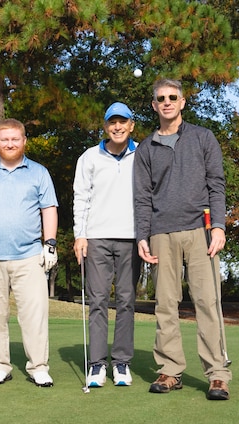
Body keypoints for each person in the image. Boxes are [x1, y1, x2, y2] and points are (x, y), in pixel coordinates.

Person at [134, 78, 232, 400]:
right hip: (162, 232)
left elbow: (216, 185)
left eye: (172, 97)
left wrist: (219, 225)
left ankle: (217, 374)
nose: (166, 102)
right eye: (160, 98)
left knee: (207, 302)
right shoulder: (146, 148)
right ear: (154, 105)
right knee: (165, 304)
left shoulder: (204, 138)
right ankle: (170, 370)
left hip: (200, 231)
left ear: (182, 101)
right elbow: (142, 197)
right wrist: (142, 236)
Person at [0, 118, 59, 388]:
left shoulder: (38, 172)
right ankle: (0, 365)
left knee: (34, 315)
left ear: (24, 141)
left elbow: (48, 209)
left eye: (15, 139)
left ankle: (38, 366)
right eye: (4, 139)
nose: (10, 143)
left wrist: (50, 243)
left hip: (29, 256)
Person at [73, 102, 140, 388]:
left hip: (132, 238)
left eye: (122, 122)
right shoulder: (89, 157)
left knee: (126, 301)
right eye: (112, 122)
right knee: (98, 301)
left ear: (131, 125)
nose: (117, 127)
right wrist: (80, 235)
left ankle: (121, 362)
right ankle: (97, 363)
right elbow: (81, 198)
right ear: (105, 126)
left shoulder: (143, 155)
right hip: (96, 238)